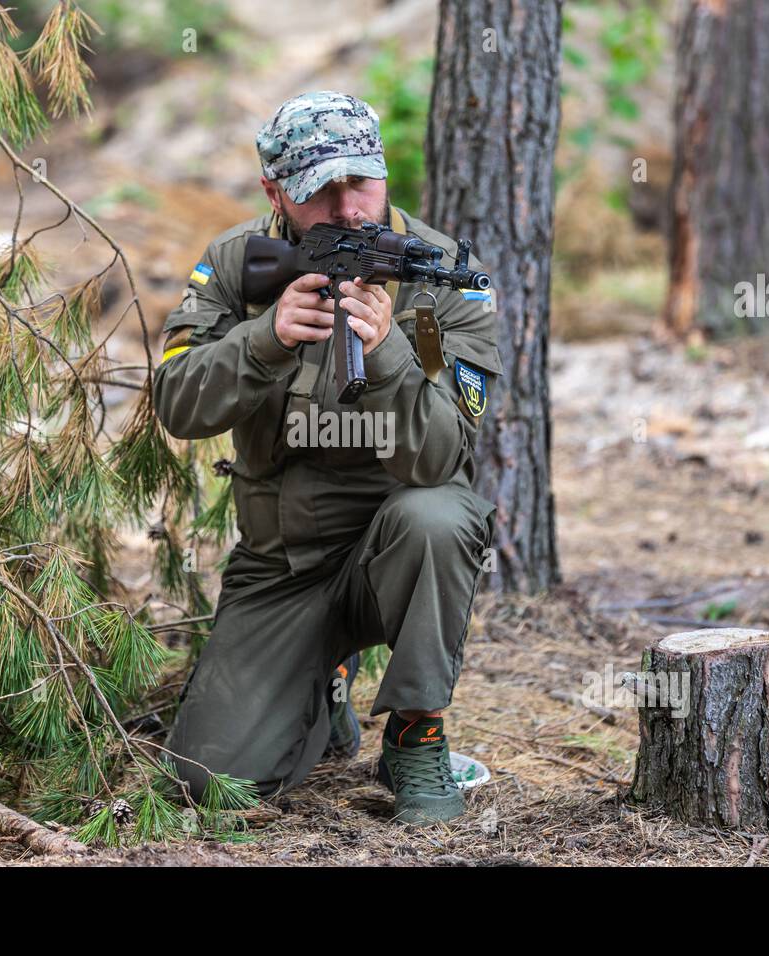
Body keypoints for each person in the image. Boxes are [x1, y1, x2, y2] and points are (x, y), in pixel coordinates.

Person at [152, 91, 500, 825]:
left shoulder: (446, 278)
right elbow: (176, 405)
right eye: (321, 189)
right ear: (275, 193)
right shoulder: (238, 262)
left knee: (439, 517)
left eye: (362, 180)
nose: (349, 209)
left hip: (392, 555)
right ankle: (321, 688)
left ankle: (415, 733)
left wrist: (392, 355)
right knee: (208, 784)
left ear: (385, 171)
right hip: (281, 566)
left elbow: (444, 456)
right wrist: (264, 340)